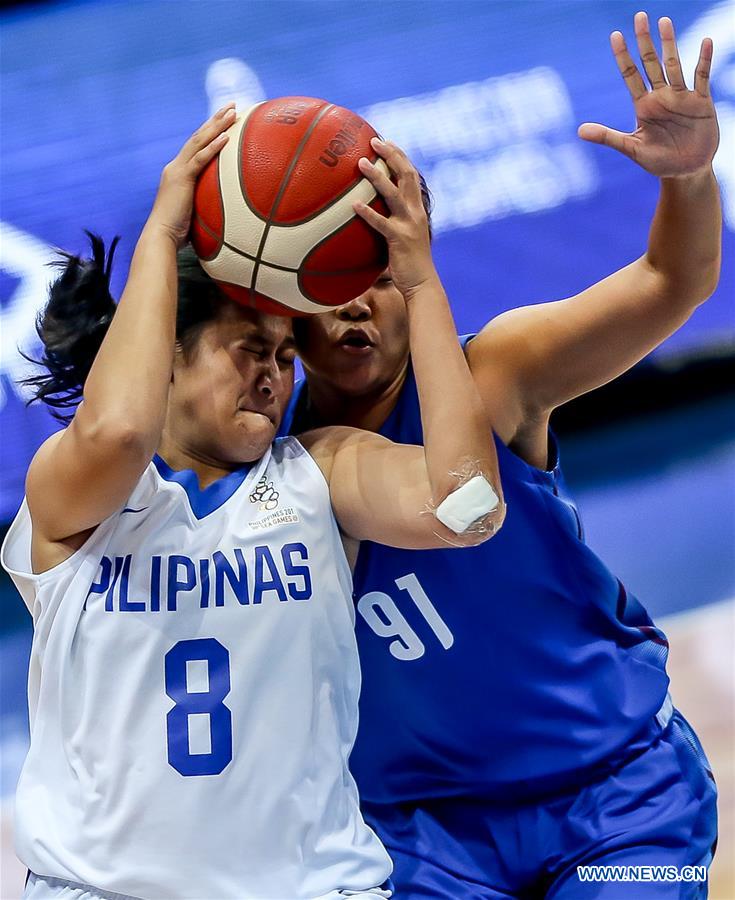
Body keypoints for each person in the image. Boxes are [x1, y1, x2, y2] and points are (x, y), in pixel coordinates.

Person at [0, 105, 505, 900]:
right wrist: (163, 236)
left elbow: (467, 508)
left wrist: (419, 281)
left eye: (282, 354)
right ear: (165, 353)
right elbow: (121, 430)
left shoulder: (319, 471)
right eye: (247, 350)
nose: (273, 374)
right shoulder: (76, 494)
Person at [283, 14, 721, 899]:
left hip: (613, 791)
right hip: (419, 833)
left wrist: (690, 180)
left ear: (416, 268)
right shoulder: (268, 452)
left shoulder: (497, 372)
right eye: (325, 288)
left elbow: (673, 282)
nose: (352, 311)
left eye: (375, 276)